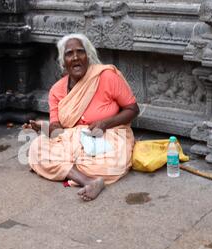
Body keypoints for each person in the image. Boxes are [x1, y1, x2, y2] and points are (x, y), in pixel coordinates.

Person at [24, 33, 140, 201]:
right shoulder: (56, 90)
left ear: (88, 56)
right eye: (69, 53)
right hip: (71, 140)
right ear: (63, 61)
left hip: (109, 134)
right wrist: (45, 128)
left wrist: (105, 123)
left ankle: (65, 169)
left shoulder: (106, 77)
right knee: (36, 147)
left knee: (112, 163)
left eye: (80, 52)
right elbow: (58, 131)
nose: (76, 57)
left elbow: (133, 109)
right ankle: (88, 180)